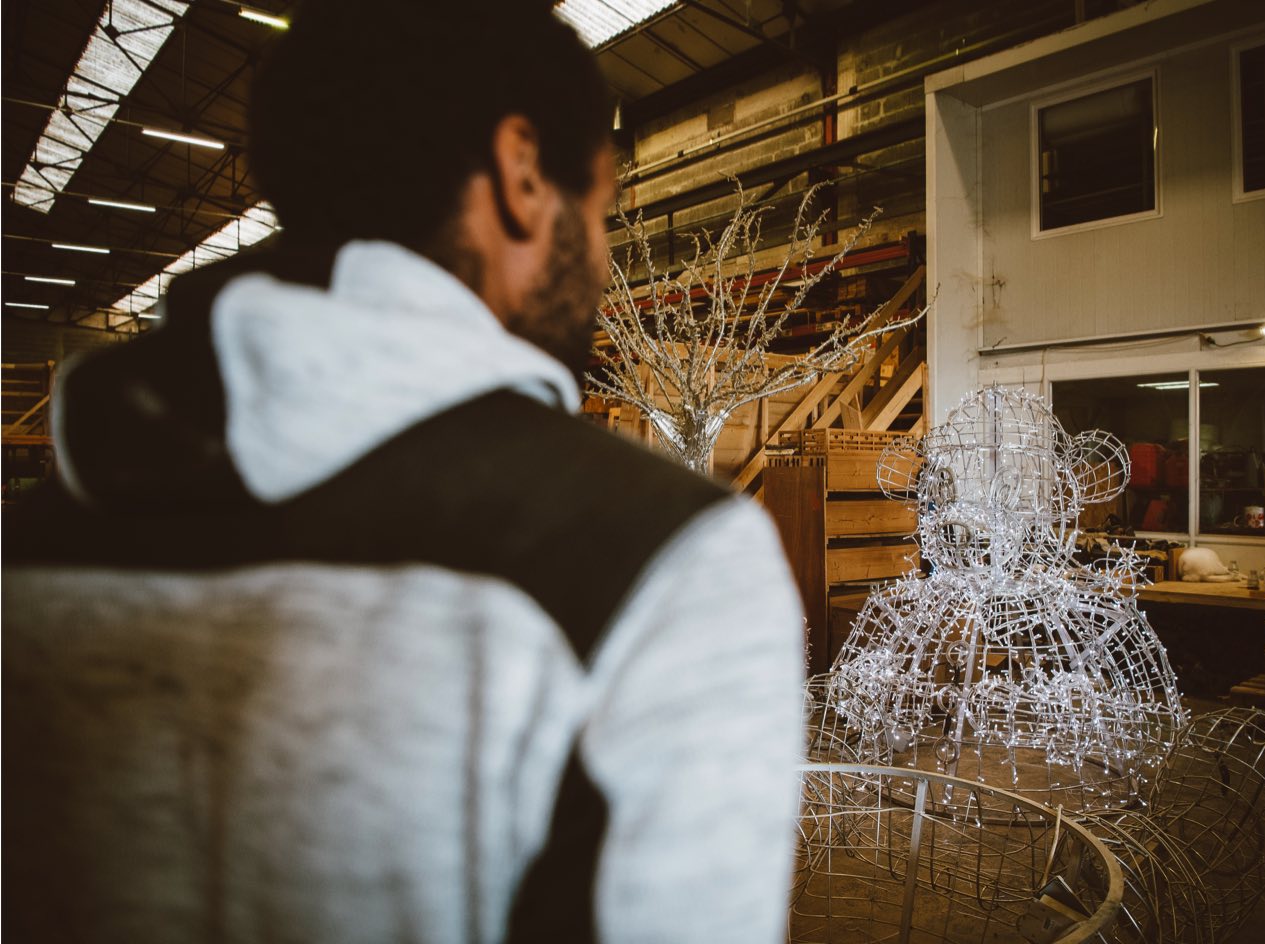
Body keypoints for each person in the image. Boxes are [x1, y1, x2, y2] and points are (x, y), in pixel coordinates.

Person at [1, 3, 805, 942]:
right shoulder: (668, 565)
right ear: (521, 175)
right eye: (600, 210)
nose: (597, 264)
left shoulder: (36, 538)